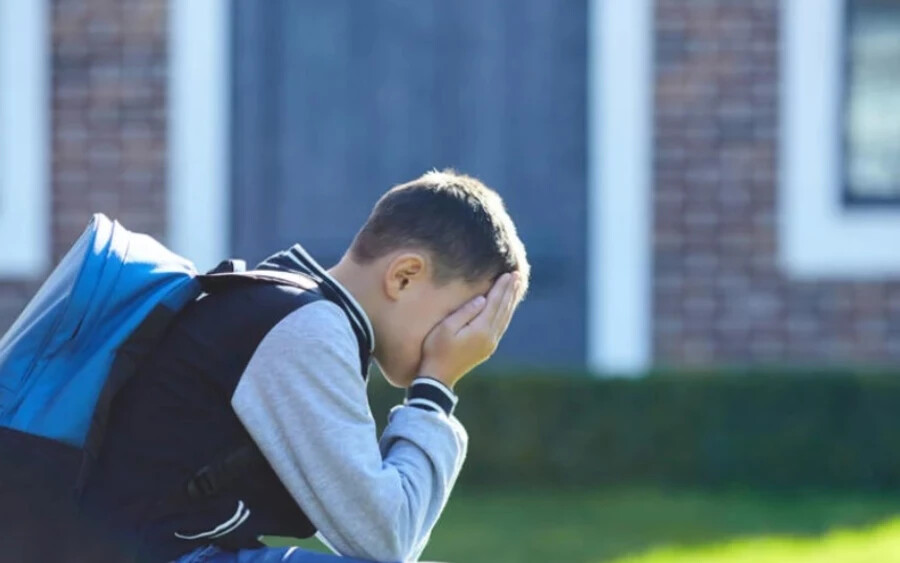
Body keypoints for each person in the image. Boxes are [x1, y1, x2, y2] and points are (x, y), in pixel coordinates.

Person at [78, 170, 530, 563]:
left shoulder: (292, 306)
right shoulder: (308, 330)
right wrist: (436, 385)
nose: (472, 341)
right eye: (465, 318)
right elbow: (387, 537)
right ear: (404, 276)